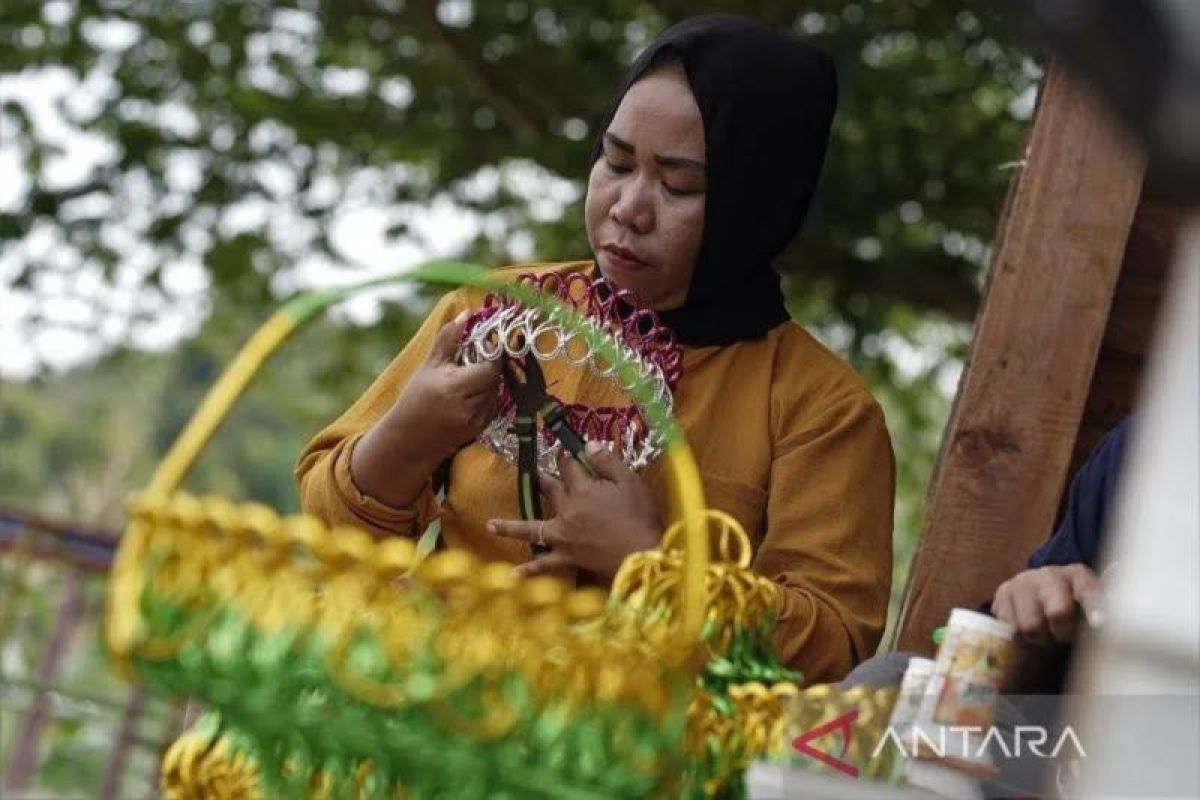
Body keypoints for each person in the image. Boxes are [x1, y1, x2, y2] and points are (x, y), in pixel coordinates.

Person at [296, 15, 895, 683]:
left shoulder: (822, 409)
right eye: (615, 162)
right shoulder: (494, 315)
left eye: (678, 185)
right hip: (425, 715)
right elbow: (332, 531)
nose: (628, 207)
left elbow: (835, 648)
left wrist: (650, 565)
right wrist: (407, 438)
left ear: (755, 199)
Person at [843, 417, 1133, 693]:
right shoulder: (1135, 450)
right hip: (1054, 726)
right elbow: (1009, 661)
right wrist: (1023, 638)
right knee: (888, 678)